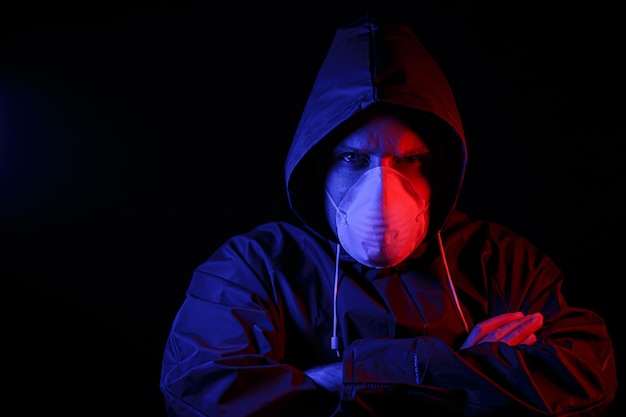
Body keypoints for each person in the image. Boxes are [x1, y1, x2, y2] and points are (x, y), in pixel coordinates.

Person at [159, 15, 617, 416]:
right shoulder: (254, 266)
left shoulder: (498, 260)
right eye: (355, 161)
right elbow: (203, 395)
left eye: (409, 160)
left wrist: (331, 379)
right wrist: (454, 365)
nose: (382, 190)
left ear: (439, 169)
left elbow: (586, 380)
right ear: (318, 164)